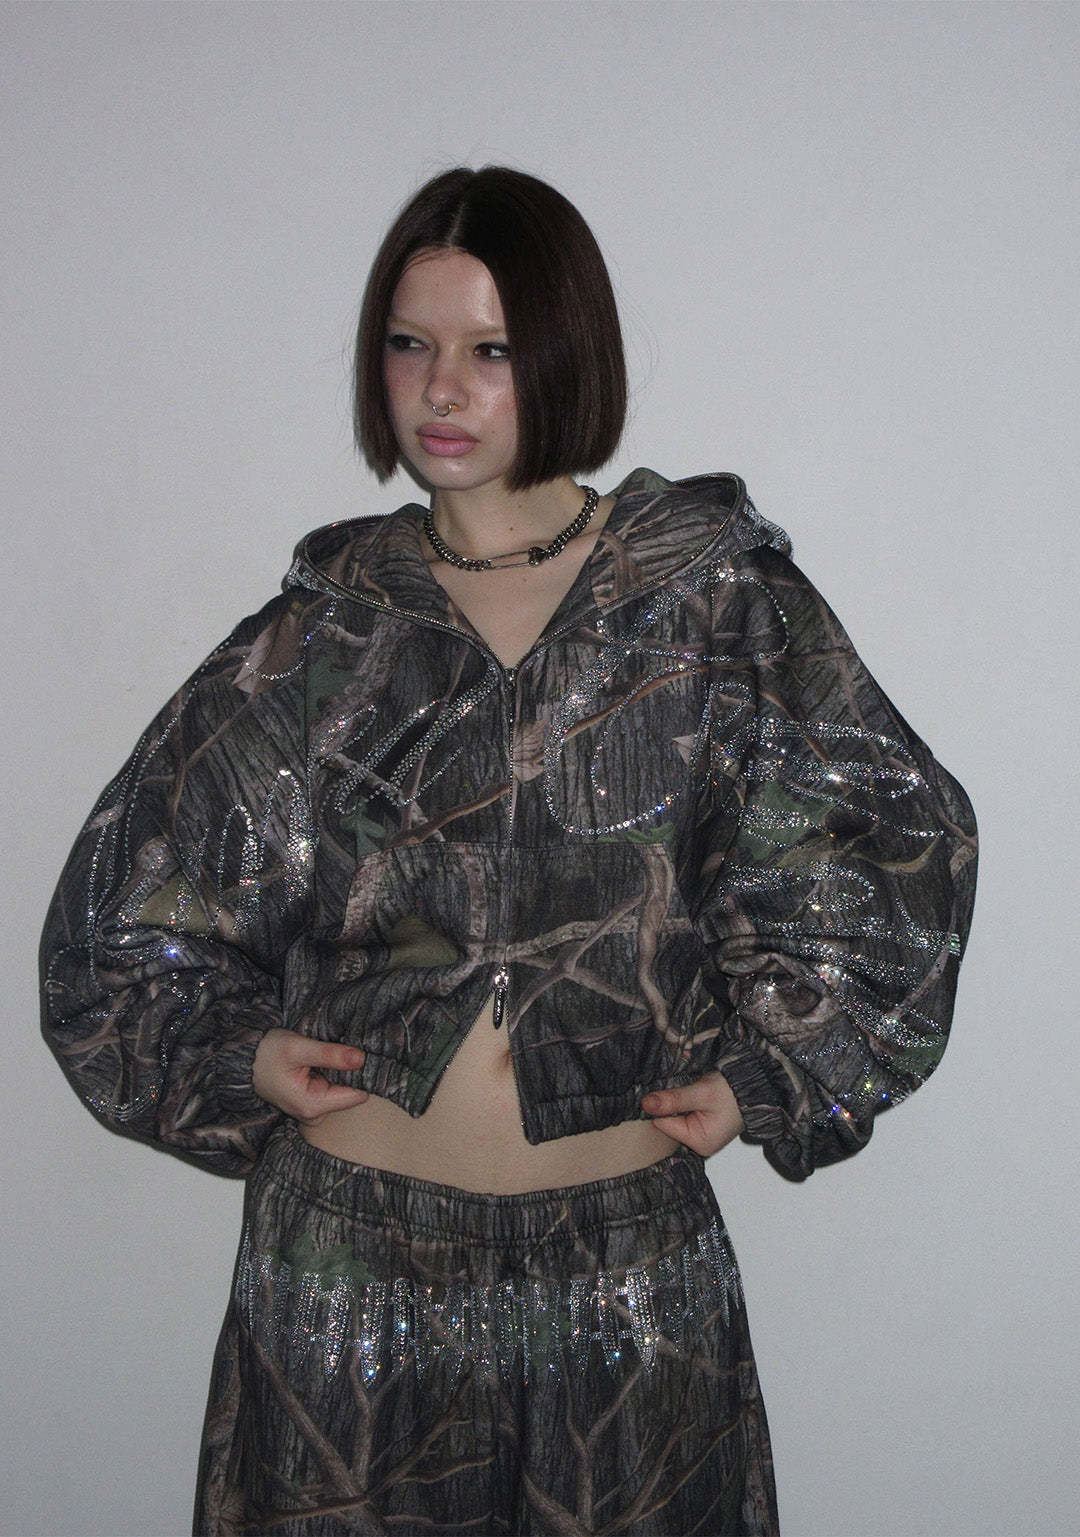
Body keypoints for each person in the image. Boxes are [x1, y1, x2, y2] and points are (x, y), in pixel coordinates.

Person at [39, 165, 978, 1537]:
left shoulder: (704, 601)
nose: (441, 388)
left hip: (625, 1286)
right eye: (409, 343)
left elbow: (883, 846)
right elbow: (126, 917)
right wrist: (238, 1055)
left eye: (490, 350)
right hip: (348, 1280)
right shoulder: (329, 628)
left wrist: (774, 1074)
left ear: (565, 353)